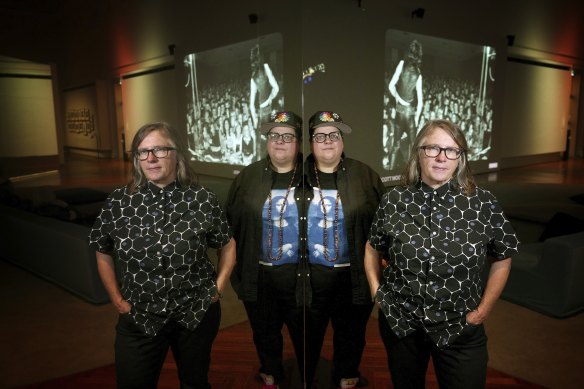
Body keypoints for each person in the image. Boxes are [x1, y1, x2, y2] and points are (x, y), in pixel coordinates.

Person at [364, 119, 520, 389]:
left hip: (460, 327)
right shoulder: (394, 200)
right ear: (418, 153)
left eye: (451, 150)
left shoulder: (483, 203)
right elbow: (372, 247)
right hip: (402, 325)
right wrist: (376, 291)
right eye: (433, 148)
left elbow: (503, 257)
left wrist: (481, 312)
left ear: (460, 158)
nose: (441, 157)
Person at [88, 122, 236, 389]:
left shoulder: (202, 199)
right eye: (142, 152)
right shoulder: (119, 202)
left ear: (177, 153)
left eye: (159, 149)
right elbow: (102, 250)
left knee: (195, 383)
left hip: (195, 313)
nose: (151, 158)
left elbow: (227, 244)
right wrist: (118, 300)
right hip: (139, 315)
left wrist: (218, 287)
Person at [304, 111, 385, 389]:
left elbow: (382, 225)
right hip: (309, 278)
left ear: (342, 140)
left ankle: (347, 375)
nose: (328, 141)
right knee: (307, 335)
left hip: (353, 278)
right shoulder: (294, 178)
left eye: (334, 135)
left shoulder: (365, 175)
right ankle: (305, 378)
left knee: (351, 334)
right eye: (320, 136)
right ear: (311, 142)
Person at [226, 111, 304, 388]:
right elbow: (231, 228)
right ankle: (270, 370)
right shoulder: (247, 178)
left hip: (300, 279)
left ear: (299, 142)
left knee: (305, 336)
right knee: (264, 333)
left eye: (287, 136)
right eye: (274, 135)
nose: (279, 141)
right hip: (259, 278)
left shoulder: (314, 177)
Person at [386, 39, 424, 169]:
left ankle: (390, 172)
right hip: (411, 114)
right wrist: (417, 120)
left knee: (396, 145)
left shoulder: (401, 64)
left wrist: (398, 98)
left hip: (399, 111)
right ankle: (412, 178)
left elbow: (391, 86)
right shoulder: (419, 74)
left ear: (409, 53)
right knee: (413, 148)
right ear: (419, 56)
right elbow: (420, 103)